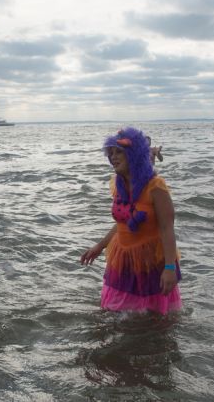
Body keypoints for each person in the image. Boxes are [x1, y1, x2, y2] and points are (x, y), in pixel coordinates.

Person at [80, 127, 182, 315]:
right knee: (111, 312)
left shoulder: (155, 186)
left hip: (151, 261)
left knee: (155, 319)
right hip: (123, 259)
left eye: (119, 152)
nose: (113, 157)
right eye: (111, 153)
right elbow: (122, 223)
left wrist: (169, 268)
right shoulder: (120, 185)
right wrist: (100, 246)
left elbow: (167, 228)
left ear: (134, 154)